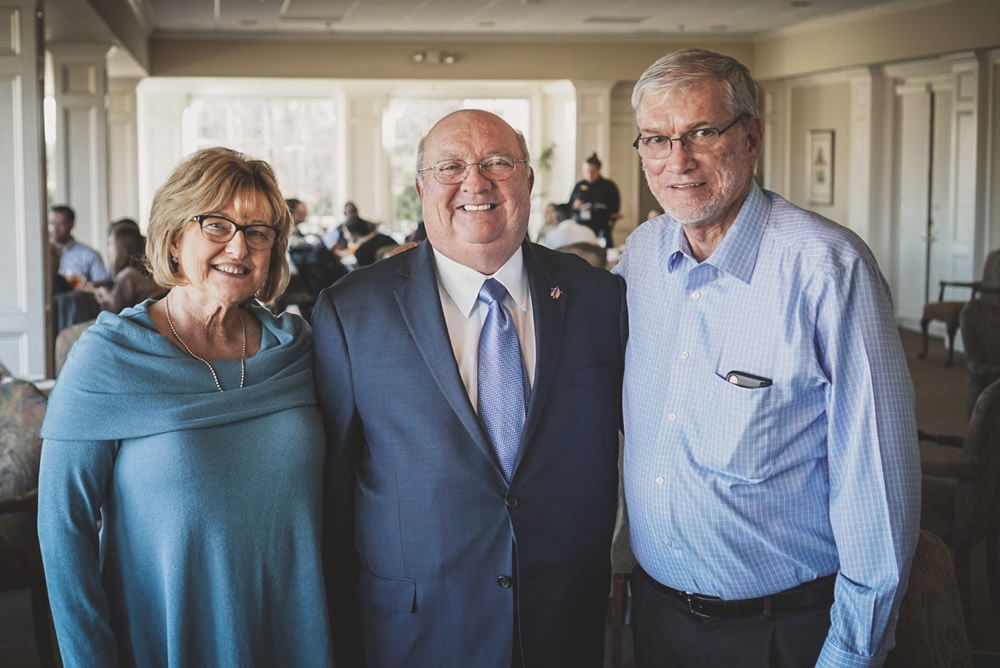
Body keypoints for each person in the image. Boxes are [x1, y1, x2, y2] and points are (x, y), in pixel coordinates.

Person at [615, 48, 920, 667]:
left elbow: (879, 486)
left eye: (702, 132)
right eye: (657, 139)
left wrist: (850, 655)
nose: (678, 161)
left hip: (781, 634)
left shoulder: (829, 270)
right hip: (654, 619)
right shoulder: (641, 257)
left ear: (751, 136)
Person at [313, 109, 626, 667]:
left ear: (528, 180)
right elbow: (333, 491)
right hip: (415, 627)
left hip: (562, 621)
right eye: (450, 167)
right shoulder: (351, 310)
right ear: (420, 188)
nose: (475, 183)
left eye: (497, 163)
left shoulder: (601, 298)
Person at [37, 147, 335, 667]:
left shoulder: (296, 348)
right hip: (169, 634)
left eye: (258, 231)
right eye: (216, 225)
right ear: (174, 236)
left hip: (295, 627)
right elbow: (64, 533)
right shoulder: (110, 356)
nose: (238, 246)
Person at [93, 224, 162, 313]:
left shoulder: (127, 275)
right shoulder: (147, 270)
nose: (108, 249)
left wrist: (105, 296)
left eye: (110, 243)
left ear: (121, 247)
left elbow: (115, 312)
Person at [48, 204, 112, 284]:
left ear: (72, 224)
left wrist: (77, 283)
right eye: (51, 223)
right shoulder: (40, 255)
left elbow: (102, 285)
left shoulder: (89, 255)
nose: (54, 228)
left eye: (61, 223)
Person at [568, 153, 620, 246]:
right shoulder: (579, 185)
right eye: (586, 171)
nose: (589, 174)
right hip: (582, 227)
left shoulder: (608, 186)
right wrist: (575, 205)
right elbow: (570, 206)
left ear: (598, 170)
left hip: (602, 227)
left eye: (592, 171)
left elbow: (615, 207)